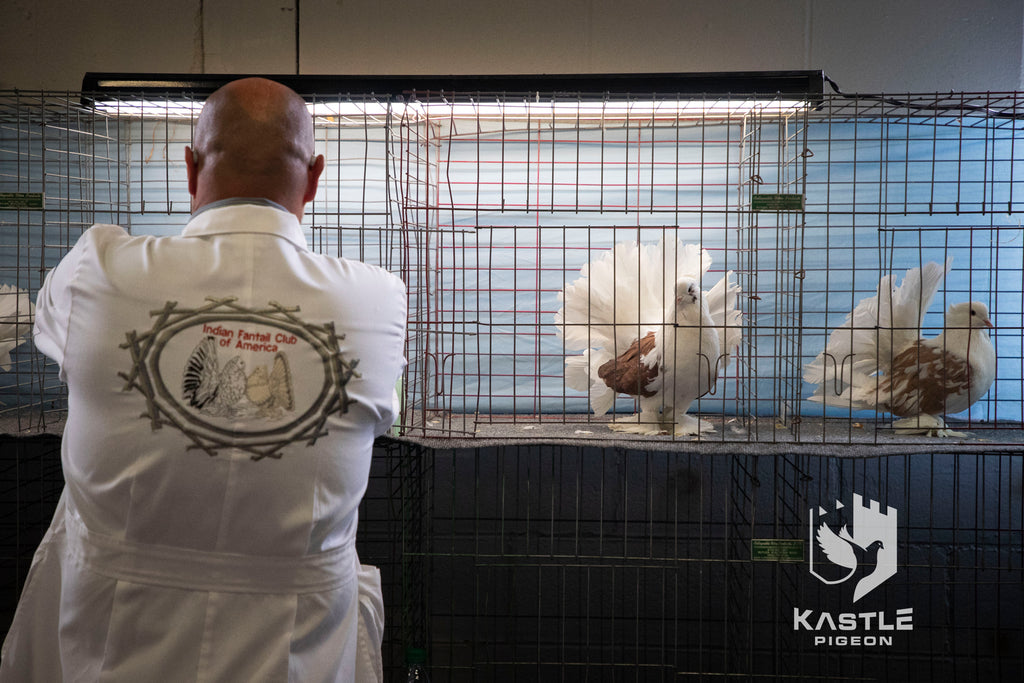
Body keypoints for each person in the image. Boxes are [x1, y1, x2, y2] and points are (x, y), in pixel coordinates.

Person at [0, 77, 407, 682]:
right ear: (315, 178)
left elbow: (56, 338)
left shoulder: (100, 268)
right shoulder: (376, 300)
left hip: (111, 653)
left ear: (190, 169)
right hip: (296, 659)